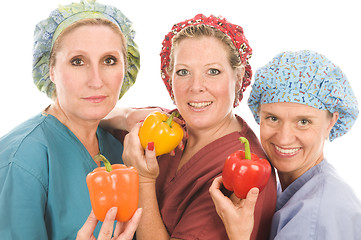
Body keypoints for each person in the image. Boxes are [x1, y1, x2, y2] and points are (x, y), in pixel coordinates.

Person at [115, 14, 277, 240]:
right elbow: (97, 116)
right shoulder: (169, 124)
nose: (196, 87)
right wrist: (127, 115)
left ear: (238, 78)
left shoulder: (244, 175)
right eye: (183, 72)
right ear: (169, 77)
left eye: (213, 71)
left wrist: (143, 179)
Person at [0, 0, 142, 239]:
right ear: (51, 70)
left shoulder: (120, 148)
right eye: (78, 61)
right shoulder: (21, 160)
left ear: (126, 67)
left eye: (109, 60)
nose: (96, 81)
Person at [209, 50, 361, 239]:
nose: (284, 138)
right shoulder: (292, 188)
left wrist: (238, 235)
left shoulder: (319, 213)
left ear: (331, 122)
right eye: (273, 118)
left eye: (303, 122)